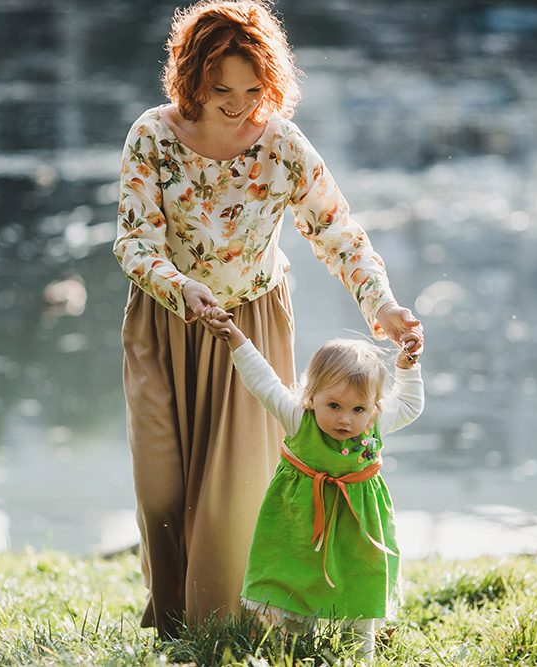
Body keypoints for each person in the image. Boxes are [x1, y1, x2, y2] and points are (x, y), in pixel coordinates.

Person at [113, 0, 423, 637]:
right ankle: (170, 614)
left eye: (254, 89)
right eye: (221, 88)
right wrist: (181, 288)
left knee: (229, 495)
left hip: (247, 327)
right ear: (191, 77)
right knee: (160, 489)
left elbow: (338, 232)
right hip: (165, 323)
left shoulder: (280, 142)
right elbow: (133, 242)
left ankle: (221, 629)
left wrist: (382, 305)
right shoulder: (152, 135)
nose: (238, 103)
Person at [205, 308, 423, 656]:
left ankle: (358, 653)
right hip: (300, 523)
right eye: (333, 405)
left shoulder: (376, 422)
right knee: (295, 581)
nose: (344, 419)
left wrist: (407, 367)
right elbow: (263, 381)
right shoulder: (297, 417)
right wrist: (235, 338)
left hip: (359, 528)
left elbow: (410, 405)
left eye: (358, 410)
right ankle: (292, 647)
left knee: (361, 584)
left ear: (374, 406)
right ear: (311, 396)